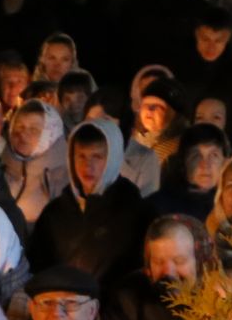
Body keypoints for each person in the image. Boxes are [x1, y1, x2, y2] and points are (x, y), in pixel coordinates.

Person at [27, 118, 146, 285]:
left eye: (97, 156)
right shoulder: (54, 214)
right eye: (81, 156)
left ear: (113, 158)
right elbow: (37, 267)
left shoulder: (136, 213)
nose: (87, 166)